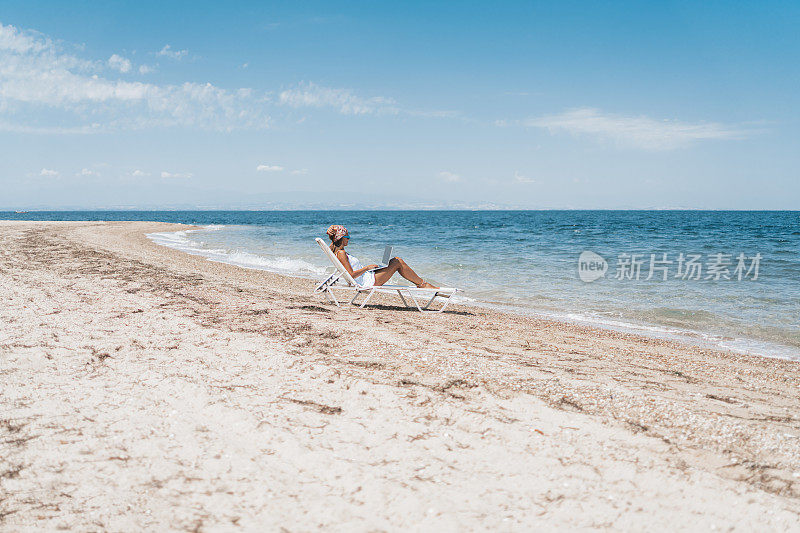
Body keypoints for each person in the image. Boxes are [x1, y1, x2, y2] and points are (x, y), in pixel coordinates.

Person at [326, 225, 438, 289]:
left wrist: (332, 228)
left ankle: (421, 284)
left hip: (368, 277)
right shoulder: (341, 253)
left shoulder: (338, 252)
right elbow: (351, 275)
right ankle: (422, 284)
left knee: (393, 261)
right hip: (367, 282)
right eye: (347, 236)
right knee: (397, 261)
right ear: (341, 238)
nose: (349, 239)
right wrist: (367, 268)